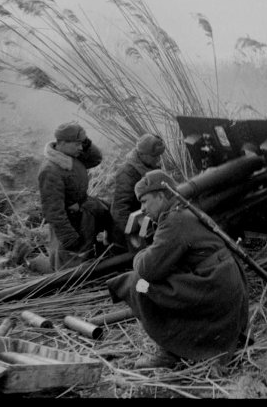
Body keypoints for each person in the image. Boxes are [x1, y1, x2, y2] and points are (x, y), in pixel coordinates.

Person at [106, 170, 250, 369]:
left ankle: (169, 352)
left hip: (211, 286)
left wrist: (139, 255)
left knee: (138, 285)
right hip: (219, 285)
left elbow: (147, 269)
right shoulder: (183, 211)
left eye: (145, 201)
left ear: (161, 195)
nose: (143, 209)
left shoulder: (174, 221)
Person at [37, 121, 111, 271]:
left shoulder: (71, 156)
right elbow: (53, 210)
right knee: (71, 266)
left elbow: (95, 159)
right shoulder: (50, 170)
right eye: (77, 144)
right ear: (62, 143)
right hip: (70, 222)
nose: (81, 148)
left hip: (83, 213)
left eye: (82, 144)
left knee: (87, 253)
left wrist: (87, 142)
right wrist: (68, 237)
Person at [108, 133, 166, 250]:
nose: (158, 160)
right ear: (141, 154)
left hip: (147, 218)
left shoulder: (149, 165)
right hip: (130, 226)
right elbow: (120, 209)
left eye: (159, 156)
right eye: (154, 156)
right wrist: (132, 235)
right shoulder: (127, 173)